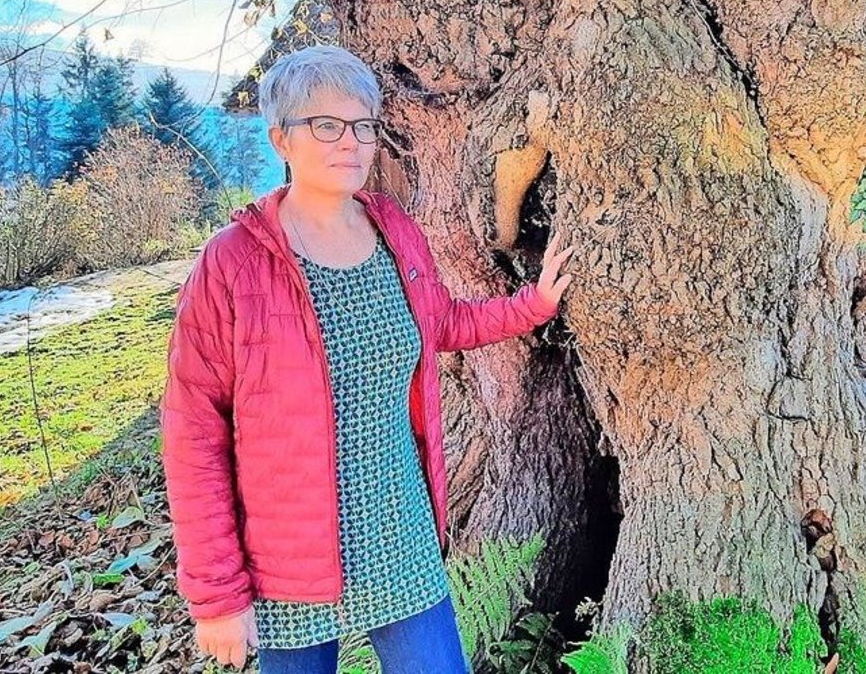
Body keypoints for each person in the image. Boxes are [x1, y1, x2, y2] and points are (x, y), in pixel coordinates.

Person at [160, 45, 574, 674]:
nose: (350, 141)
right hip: (288, 563)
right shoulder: (233, 262)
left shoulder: (393, 230)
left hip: (400, 539)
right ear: (281, 139)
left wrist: (533, 305)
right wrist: (216, 596)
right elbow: (195, 433)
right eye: (325, 125)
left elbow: (440, 324)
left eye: (363, 125)